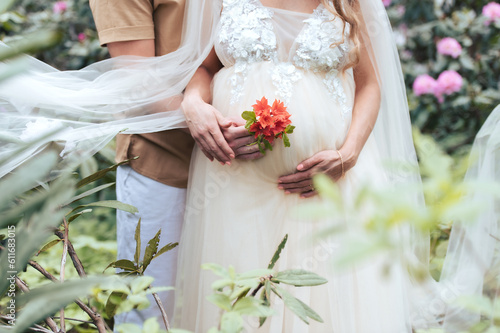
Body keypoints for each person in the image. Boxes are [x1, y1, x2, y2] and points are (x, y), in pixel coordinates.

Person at [0, 0, 498, 331]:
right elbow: (194, 71)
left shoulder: (344, 5)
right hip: (221, 185)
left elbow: (369, 81)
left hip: (324, 189)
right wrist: (195, 105)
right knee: (212, 305)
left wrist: (347, 152)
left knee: (324, 306)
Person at [89, 0, 262, 329]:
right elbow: (136, 77)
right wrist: (200, 119)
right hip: (167, 166)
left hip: (247, 170)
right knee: (155, 306)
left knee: (235, 304)